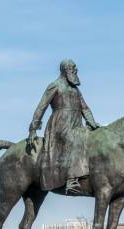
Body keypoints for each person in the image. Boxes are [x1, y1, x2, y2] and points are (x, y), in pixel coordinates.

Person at [29, 59, 100, 194]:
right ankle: (70, 178)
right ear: (66, 69)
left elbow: (84, 108)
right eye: (73, 68)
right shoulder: (55, 85)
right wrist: (33, 128)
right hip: (60, 125)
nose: (76, 70)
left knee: (89, 135)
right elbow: (41, 107)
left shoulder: (75, 90)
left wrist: (92, 122)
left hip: (76, 123)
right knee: (77, 137)